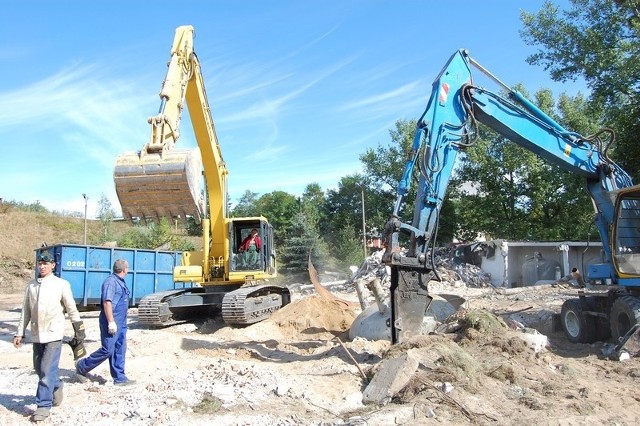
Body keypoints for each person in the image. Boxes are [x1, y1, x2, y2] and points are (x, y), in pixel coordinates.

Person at [13, 251, 85, 423]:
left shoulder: (61, 284)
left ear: (53, 265)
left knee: (46, 370)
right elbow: (26, 311)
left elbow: (71, 307)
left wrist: (79, 328)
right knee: (39, 370)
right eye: (40, 263)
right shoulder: (31, 286)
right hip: (37, 334)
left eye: (46, 263)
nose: (42, 266)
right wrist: (19, 333)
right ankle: (57, 385)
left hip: (53, 334)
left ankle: (43, 406)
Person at [75, 259, 135, 386]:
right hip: (112, 321)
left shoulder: (120, 282)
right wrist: (111, 322)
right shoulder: (111, 282)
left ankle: (119, 378)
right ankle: (82, 366)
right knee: (107, 350)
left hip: (121, 322)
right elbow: (107, 302)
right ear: (124, 269)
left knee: (120, 348)